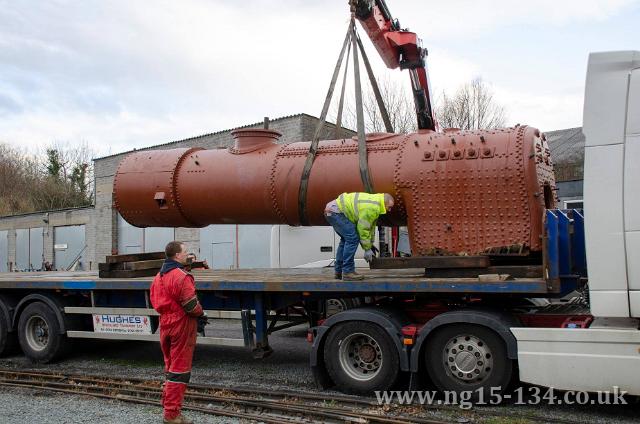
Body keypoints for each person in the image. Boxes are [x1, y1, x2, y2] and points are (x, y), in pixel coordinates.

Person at [150, 241, 208, 424]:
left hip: (165, 323)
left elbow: (154, 300)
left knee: (170, 368)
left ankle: (168, 405)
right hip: (181, 324)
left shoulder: (158, 277)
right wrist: (201, 313)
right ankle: (172, 414)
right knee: (180, 370)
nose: (187, 255)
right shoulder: (181, 277)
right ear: (177, 255)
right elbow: (190, 305)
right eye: (185, 252)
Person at [324, 192, 394, 280]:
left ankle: (339, 271)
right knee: (353, 238)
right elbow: (363, 228)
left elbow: (370, 228)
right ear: (384, 203)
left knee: (345, 240)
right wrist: (366, 249)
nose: (390, 210)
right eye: (389, 207)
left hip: (332, 211)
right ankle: (347, 272)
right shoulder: (373, 208)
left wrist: (370, 244)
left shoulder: (375, 203)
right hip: (336, 212)